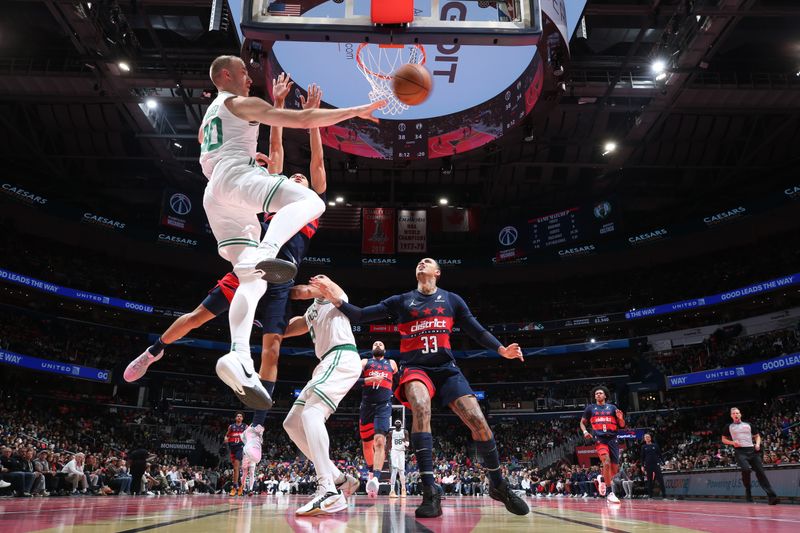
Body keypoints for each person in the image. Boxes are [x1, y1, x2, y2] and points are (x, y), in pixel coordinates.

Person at [199, 55, 383, 410]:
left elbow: (210, 145)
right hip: (237, 182)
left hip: (216, 194)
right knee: (314, 203)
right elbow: (302, 120)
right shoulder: (240, 103)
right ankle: (267, 248)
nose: (249, 79)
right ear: (225, 74)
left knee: (248, 278)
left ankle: (237, 355)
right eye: (243, 72)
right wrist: (355, 110)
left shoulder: (211, 114)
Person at [310, 259, 529, 518]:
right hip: (416, 368)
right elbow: (360, 315)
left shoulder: (452, 300)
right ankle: (429, 491)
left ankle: (498, 485)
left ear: (437, 272)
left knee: (478, 421)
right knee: (421, 406)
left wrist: (501, 349)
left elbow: (477, 331)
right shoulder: (402, 300)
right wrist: (334, 297)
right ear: (417, 273)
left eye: (429, 261)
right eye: (419, 262)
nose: (422, 262)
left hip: (446, 369)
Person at [280, 275, 362, 516]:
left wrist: (278, 285)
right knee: (292, 423)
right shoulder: (311, 312)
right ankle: (338, 478)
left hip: (341, 356)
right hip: (326, 363)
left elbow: (305, 291)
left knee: (313, 414)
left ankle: (328, 489)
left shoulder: (332, 296)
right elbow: (285, 330)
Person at [359, 340, 398, 497]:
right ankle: (370, 474)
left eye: (381, 344)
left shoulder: (392, 363)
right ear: (371, 349)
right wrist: (367, 380)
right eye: (375, 344)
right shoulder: (364, 362)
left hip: (384, 405)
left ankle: (376, 477)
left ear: (385, 349)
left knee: (380, 441)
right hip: (367, 405)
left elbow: (399, 377)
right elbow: (351, 379)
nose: (378, 345)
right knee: (367, 444)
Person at [721, 407, 779, 505]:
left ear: (740, 414)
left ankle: (772, 497)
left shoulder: (748, 425)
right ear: (731, 416)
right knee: (746, 470)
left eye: (738, 413)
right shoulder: (728, 427)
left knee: (761, 472)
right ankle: (748, 490)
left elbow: (757, 436)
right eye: (734, 413)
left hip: (752, 450)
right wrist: (732, 442)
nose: (736, 415)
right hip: (740, 451)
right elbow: (723, 439)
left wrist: (757, 444)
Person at [579, 386, 625, 504]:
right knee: (606, 462)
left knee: (614, 470)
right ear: (594, 396)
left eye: (600, 393)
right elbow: (582, 423)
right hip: (600, 439)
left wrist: (621, 418)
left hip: (613, 439)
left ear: (605, 396)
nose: (598, 395)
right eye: (596, 393)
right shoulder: (590, 408)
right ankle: (610, 493)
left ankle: (602, 479)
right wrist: (585, 432)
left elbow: (622, 425)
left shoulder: (612, 408)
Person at [225, 412, 247, 496]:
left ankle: (235, 487)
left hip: (240, 448)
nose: (239, 417)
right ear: (235, 418)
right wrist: (226, 439)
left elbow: (249, 436)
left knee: (237, 466)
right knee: (235, 469)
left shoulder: (245, 426)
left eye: (240, 416)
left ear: (242, 418)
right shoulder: (231, 426)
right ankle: (239, 487)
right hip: (232, 447)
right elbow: (226, 436)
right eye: (237, 416)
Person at [388, 419, 410, 498]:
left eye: (399, 422)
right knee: (394, 470)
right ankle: (392, 491)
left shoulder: (405, 432)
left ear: (401, 424)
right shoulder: (391, 432)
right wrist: (388, 451)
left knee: (401, 471)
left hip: (401, 452)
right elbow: (389, 443)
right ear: (394, 424)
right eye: (396, 422)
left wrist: (404, 441)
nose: (397, 423)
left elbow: (407, 444)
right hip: (394, 451)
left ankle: (403, 489)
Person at [640, 433, 665, 498]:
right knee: (649, 481)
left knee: (660, 480)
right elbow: (642, 457)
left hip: (656, 464)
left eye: (648, 437)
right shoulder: (643, 447)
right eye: (646, 437)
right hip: (648, 465)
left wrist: (663, 463)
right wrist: (642, 466)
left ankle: (664, 496)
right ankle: (650, 496)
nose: (647, 438)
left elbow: (660, 454)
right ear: (644, 439)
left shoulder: (655, 445)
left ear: (650, 438)